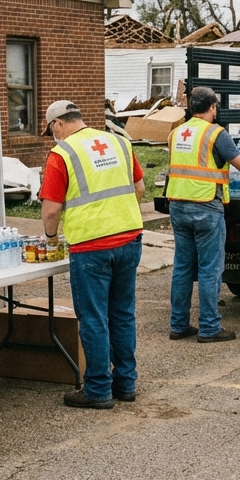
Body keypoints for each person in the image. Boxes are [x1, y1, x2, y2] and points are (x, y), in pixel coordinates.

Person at [40, 100, 147, 409]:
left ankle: (98, 389)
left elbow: (51, 210)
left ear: (58, 124)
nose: (53, 137)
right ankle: (125, 384)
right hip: (129, 239)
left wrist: (50, 238)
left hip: (91, 247)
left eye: (51, 131)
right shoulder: (119, 142)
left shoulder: (62, 154)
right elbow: (139, 189)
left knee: (94, 319)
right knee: (122, 313)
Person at [166, 87, 240, 343]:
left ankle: (178, 325)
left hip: (178, 205)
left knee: (183, 267)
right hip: (206, 206)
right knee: (211, 269)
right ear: (213, 108)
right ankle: (209, 327)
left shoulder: (175, 133)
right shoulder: (215, 134)